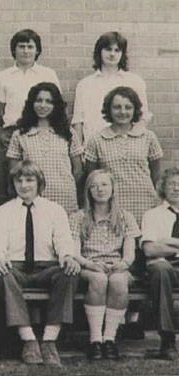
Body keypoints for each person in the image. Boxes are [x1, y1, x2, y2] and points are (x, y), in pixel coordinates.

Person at [0, 160, 80, 366]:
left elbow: (63, 240)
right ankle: (28, 339)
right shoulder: (3, 212)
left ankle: (49, 340)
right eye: (18, 180)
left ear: (39, 183)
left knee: (71, 271)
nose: (24, 185)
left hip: (46, 267)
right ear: (13, 184)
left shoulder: (54, 210)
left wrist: (67, 256)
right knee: (2, 273)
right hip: (16, 267)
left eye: (29, 179)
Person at [70, 170, 140, 360]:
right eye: (94, 186)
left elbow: (129, 253)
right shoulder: (79, 217)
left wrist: (123, 263)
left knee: (118, 281)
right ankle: (95, 340)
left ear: (112, 188)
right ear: (88, 191)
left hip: (116, 265)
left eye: (104, 185)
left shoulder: (125, 217)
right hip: (88, 266)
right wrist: (89, 264)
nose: (100, 189)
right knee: (99, 280)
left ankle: (109, 339)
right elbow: (75, 253)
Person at [85, 86, 162, 226]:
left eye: (128, 107)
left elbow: (156, 177)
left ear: (135, 110)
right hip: (112, 206)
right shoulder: (96, 139)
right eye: (117, 107)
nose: (122, 112)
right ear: (109, 109)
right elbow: (92, 179)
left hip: (145, 204)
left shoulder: (148, 136)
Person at [7, 82, 83, 215]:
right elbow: (15, 171)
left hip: (64, 197)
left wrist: (63, 184)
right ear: (31, 103)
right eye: (38, 101)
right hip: (33, 197)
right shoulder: (20, 134)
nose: (43, 105)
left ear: (56, 105)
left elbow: (77, 170)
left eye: (49, 101)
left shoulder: (68, 133)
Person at [72, 32, 152, 144]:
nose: (112, 54)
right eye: (108, 49)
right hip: (93, 148)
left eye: (117, 50)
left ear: (122, 54)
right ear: (99, 52)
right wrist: (79, 151)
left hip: (127, 146)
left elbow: (143, 117)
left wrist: (135, 143)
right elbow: (78, 122)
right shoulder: (85, 84)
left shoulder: (134, 81)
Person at [0, 29, 61, 152]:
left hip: (42, 129)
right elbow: (0, 109)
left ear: (37, 50)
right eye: (21, 47)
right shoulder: (3, 76)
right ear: (14, 50)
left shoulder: (48, 74)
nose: (26, 51)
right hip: (12, 132)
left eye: (30, 47)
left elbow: (57, 104)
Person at [141, 166, 179, 360]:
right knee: (161, 269)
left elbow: (159, 244)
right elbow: (150, 249)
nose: (177, 188)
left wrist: (167, 241)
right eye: (172, 184)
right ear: (163, 187)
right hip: (164, 266)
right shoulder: (152, 215)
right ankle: (167, 340)